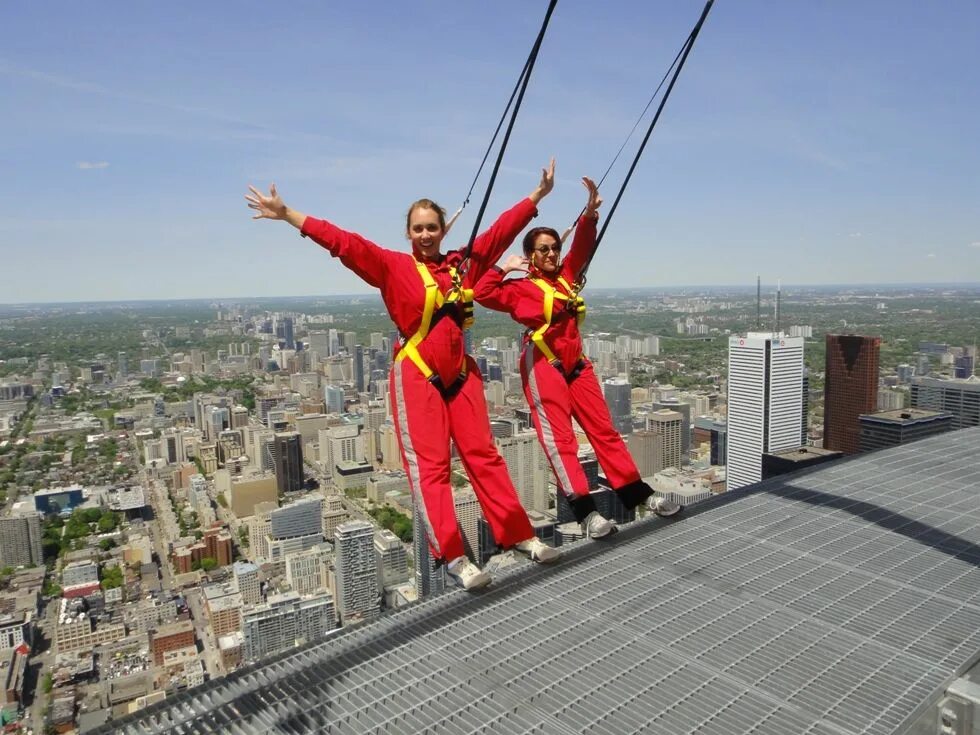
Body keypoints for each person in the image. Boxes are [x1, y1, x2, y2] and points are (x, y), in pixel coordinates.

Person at [245, 163, 560, 590]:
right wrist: (289, 215)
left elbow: (497, 235)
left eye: (432, 227)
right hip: (419, 374)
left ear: (443, 229)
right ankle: (453, 555)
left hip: (462, 374)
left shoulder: (459, 266)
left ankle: (519, 535)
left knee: (484, 456)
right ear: (408, 233)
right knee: (431, 469)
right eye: (418, 229)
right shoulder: (392, 267)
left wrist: (535, 199)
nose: (426, 234)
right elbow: (345, 244)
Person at [473, 176, 682, 538]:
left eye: (554, 247)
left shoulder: (568, 277)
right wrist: (504, 268)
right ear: (532, 256)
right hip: (543, 366)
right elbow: (482, 292)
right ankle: (587, 513)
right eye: (543, 249)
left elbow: (582, 249)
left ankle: (638, 495)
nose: (552, 253)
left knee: (605, 432)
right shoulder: (521, 289)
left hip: (577, 366)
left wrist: (589, 214)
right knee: (561, 442)